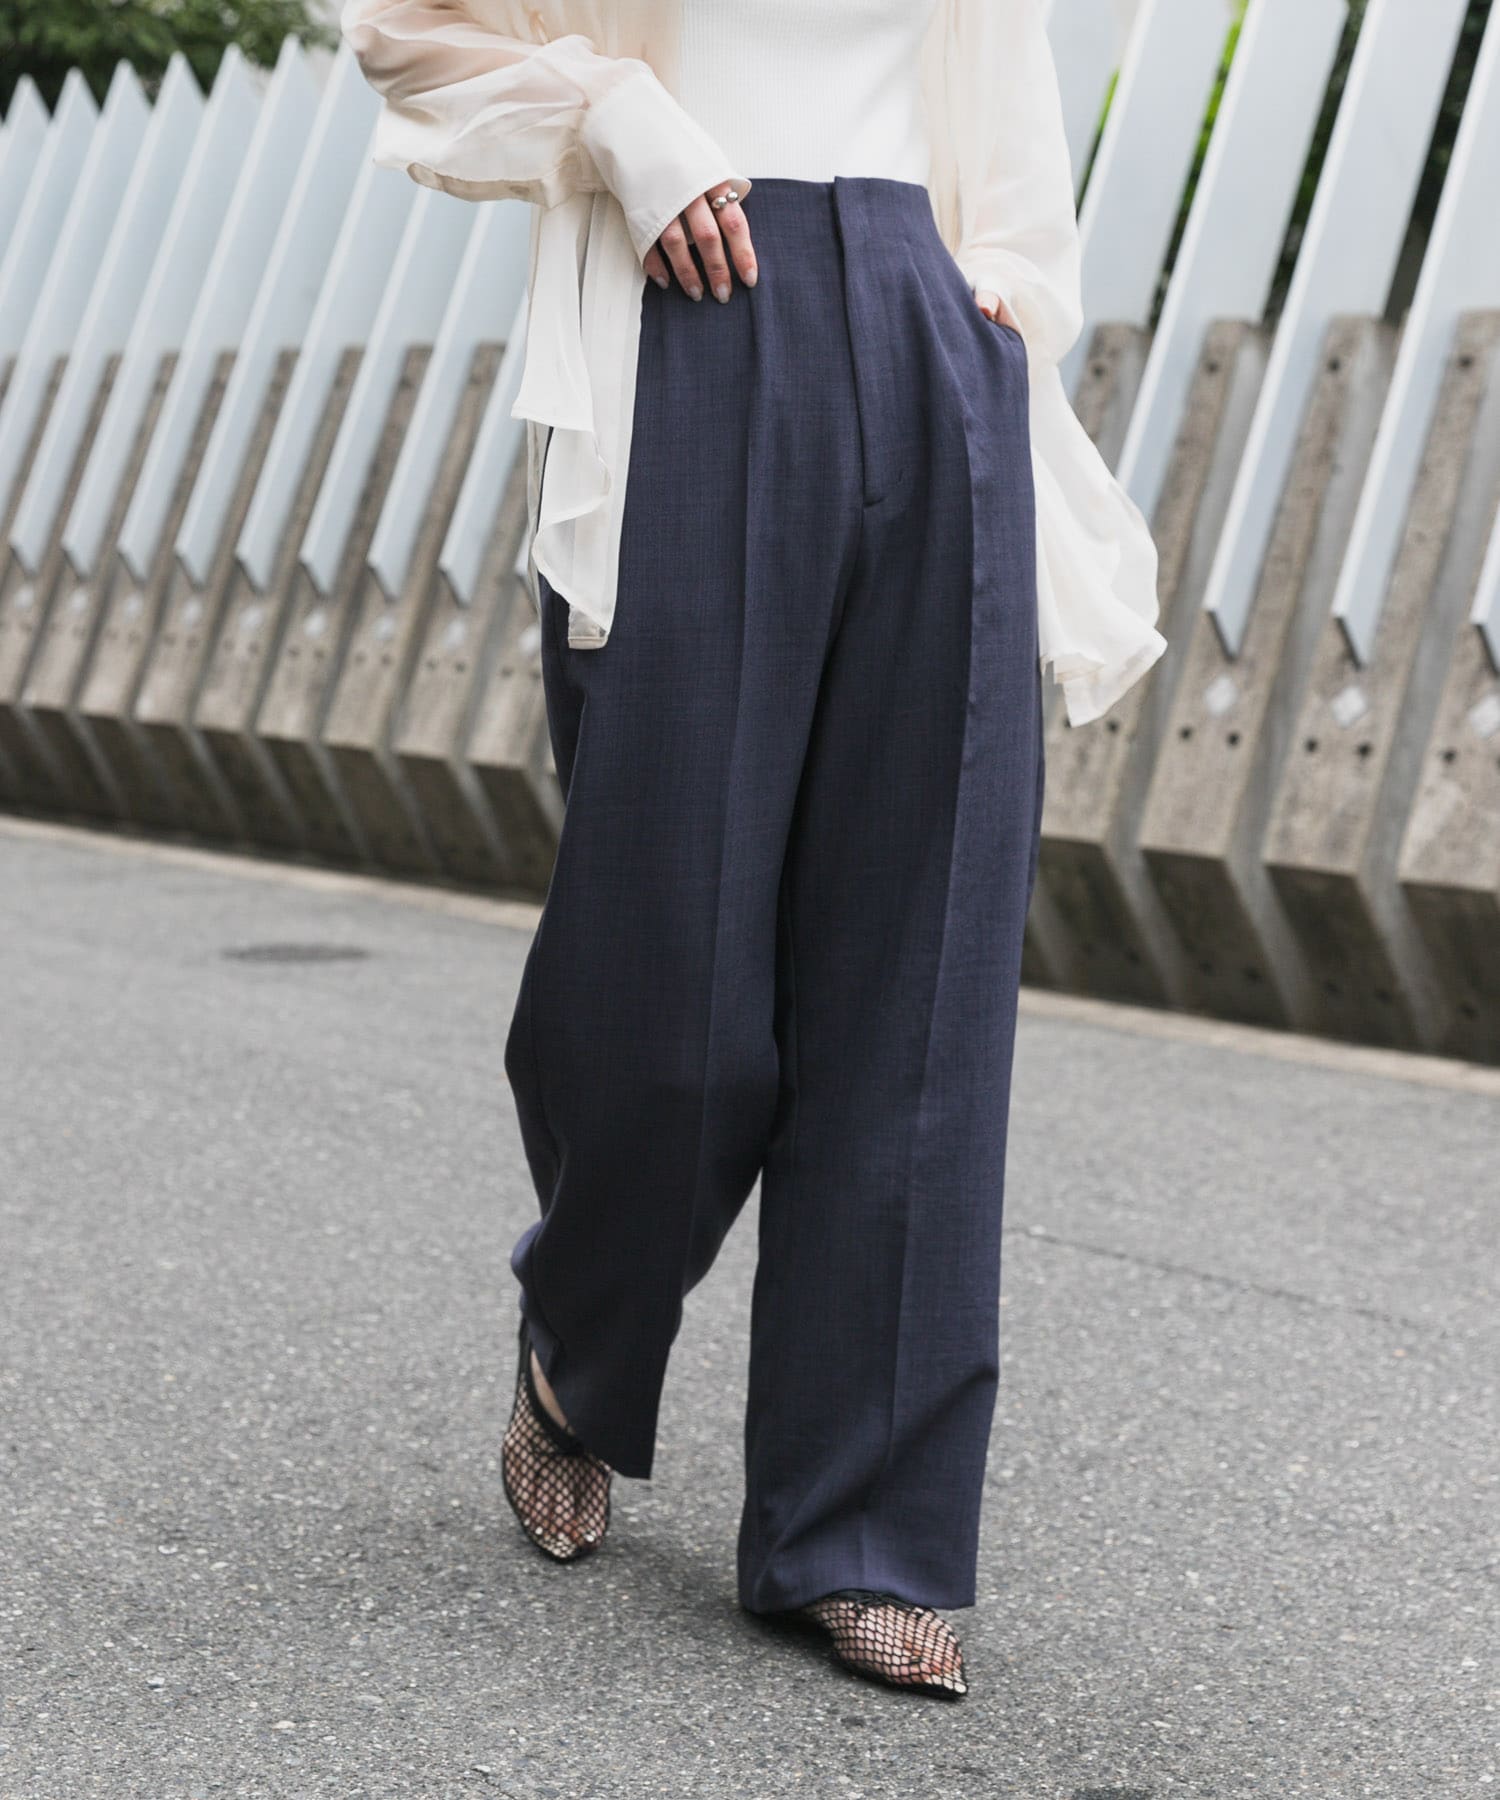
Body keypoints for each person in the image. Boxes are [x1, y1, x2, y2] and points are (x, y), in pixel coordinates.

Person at [342, 0, 1165, 1700]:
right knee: (671, 985)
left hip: (931, 322)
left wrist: (996, 295)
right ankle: (579, 1338)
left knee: (918, 991)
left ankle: (862, 1531)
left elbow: (1009, 111)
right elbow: (408, 30)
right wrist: (617, 122)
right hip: (688, 313)